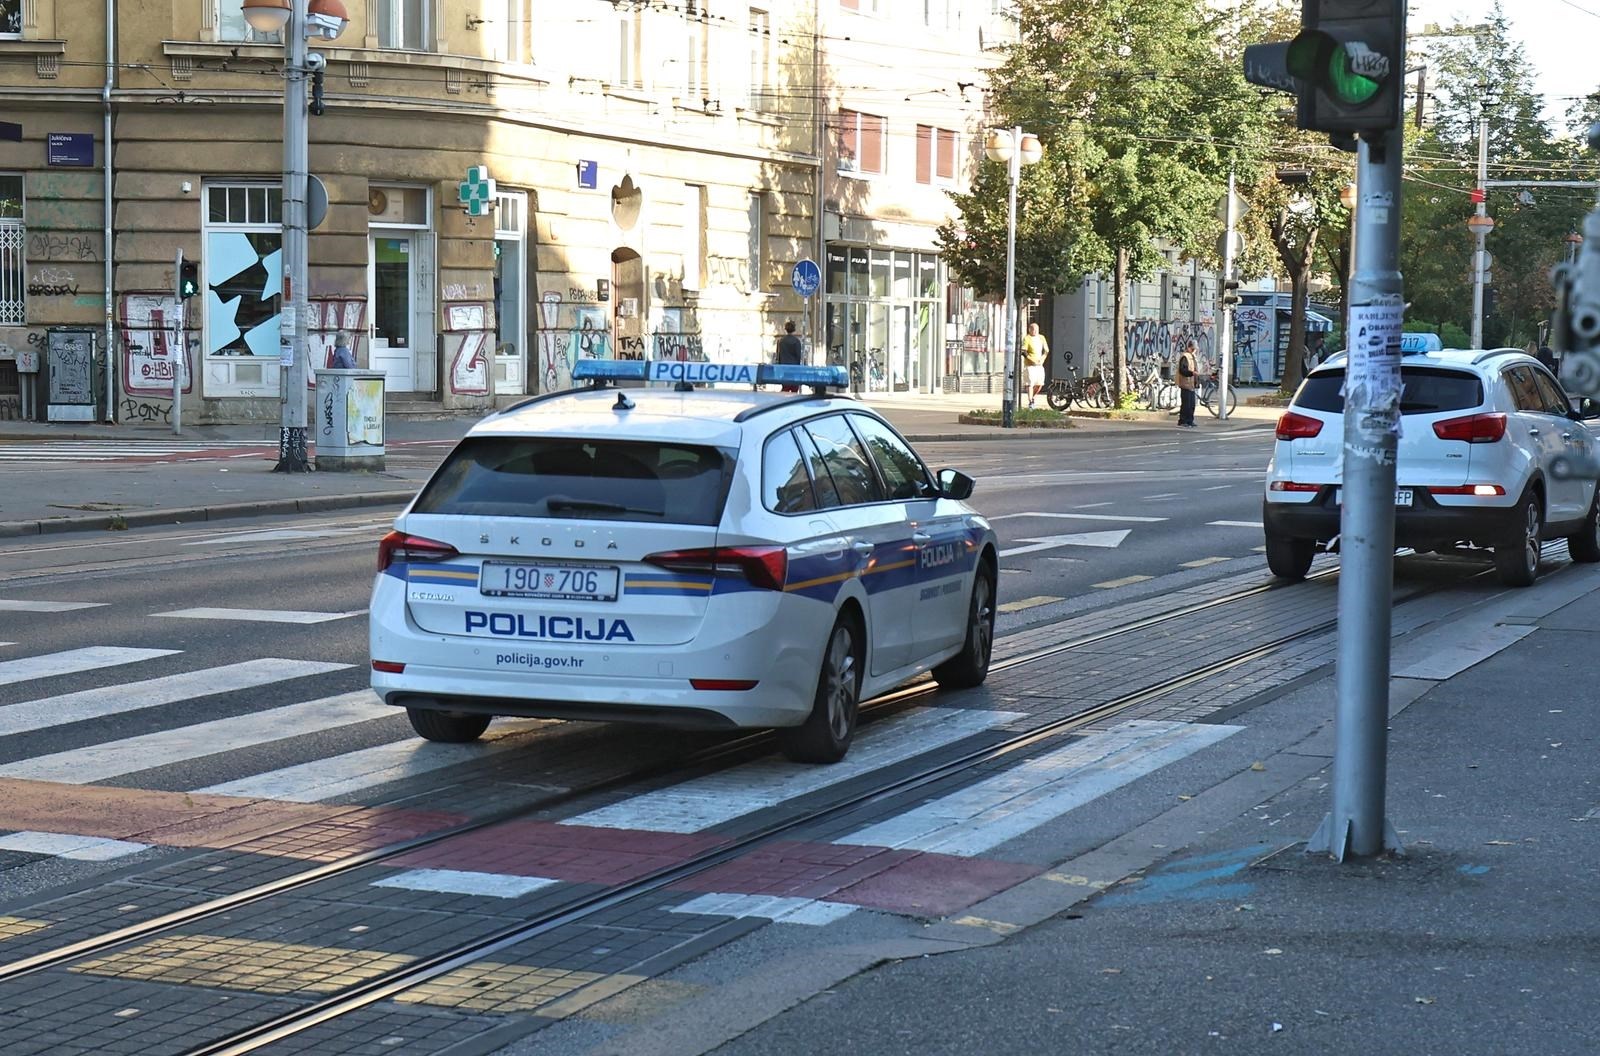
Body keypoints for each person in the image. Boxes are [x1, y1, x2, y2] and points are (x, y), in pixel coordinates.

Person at [1021, 322, 1049, 409]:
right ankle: (1030, 401)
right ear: (1030, 330)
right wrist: (1031, 359)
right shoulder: (1027, 338)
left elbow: (1046, 350)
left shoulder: (1041, 338)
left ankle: (1032, 396)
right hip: (1030, 365)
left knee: (1039, 384)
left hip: (1039, 364)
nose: (1035, 331)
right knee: (1030, 383)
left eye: (1036, 330)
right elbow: (1024, 352)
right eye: (1033, 329)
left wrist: (1043, 359)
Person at [775, 320, 804, 392]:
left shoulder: (781, 341)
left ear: (786, 329)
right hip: (794, 367)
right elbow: (798, 355)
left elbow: (778, 355)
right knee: (794, 388)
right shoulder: (796, 341)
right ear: (794, 329)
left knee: (785, 387)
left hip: (784, 367)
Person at [1176, 339, 1199, 428]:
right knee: (1186, 404)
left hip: (1191, 383)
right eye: (1192, 349)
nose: (1194, 350)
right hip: (1185, 383)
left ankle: (1190, 420)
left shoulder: (1192, 356)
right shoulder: (1185, 357)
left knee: (1192, 404)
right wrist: (1192, 373)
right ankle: (1183, 420)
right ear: (1189, 348)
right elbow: (1183, 370)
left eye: (1195, 349)